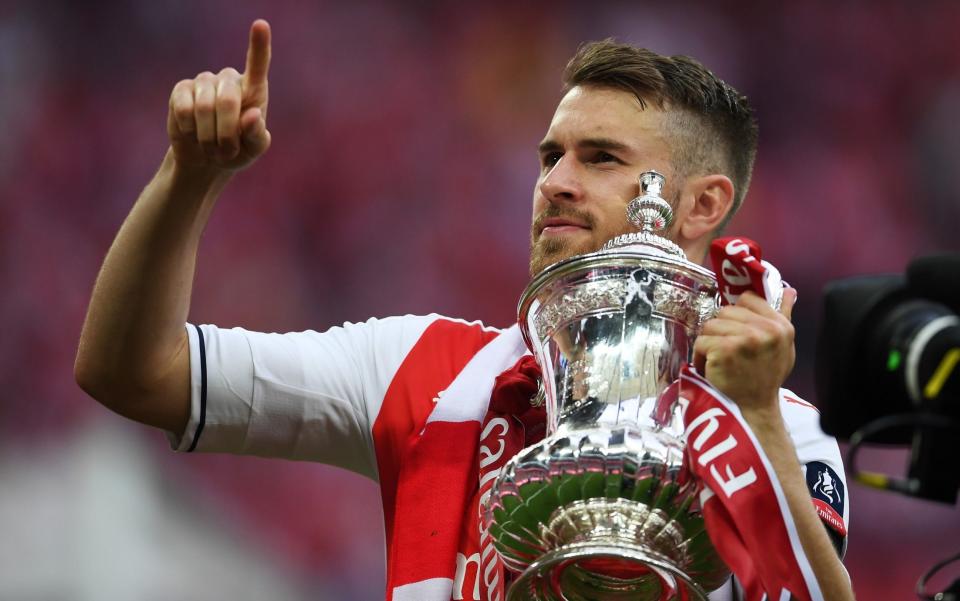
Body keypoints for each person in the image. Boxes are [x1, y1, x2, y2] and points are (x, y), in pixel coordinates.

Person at [74, 18, 855, 601]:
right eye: (551, 155)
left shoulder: (775, 429)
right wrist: (188, 178)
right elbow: (133, 372)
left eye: (602, 157)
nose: (555, 181)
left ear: (700, 205)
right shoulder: (427, 372)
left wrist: (756, 424)